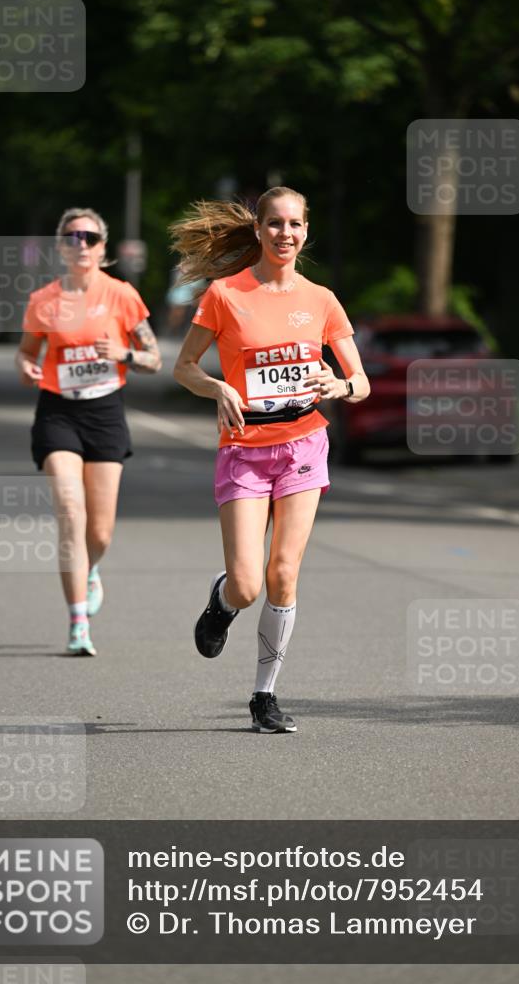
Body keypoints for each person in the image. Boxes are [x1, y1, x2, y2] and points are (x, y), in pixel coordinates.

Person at [171, 187, 369, 732]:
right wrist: (216, 388)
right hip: (244, 450)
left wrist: (339, 382)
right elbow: (184, 367)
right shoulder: (225, 295)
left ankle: (264, 695)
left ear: (307, 232)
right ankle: (222, 600)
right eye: (276, 224)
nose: (286, 233)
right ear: (258, 230)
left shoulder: (322, 299)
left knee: (283, 573)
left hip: (304, 444)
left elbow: (361, 381)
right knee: (248, 583)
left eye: (295, 224)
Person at [16, 208, 162, 656]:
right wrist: (28, 368)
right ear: (61, 246)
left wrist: (123, 352)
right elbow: (26, 355)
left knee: (99, 532)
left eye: (90, 236)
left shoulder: (122, 296)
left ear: (103, 247)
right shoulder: (43, 300)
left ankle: (91, 568)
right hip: (58, 412)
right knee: (69, 511)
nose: (81, 243)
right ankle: (78, 621)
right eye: (72, 236)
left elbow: (153, 357)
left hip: (104, 412)